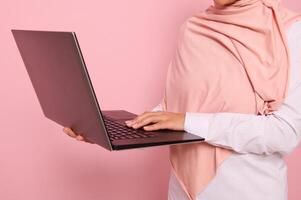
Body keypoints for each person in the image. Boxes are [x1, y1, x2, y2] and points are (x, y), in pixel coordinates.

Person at [63, 0, 301, 199]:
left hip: (247, 191)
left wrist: (187, 121)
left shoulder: (291, 32)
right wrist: (106, 129)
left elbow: (285, 133)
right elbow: (172, 110)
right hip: (182, 190)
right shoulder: (193, 28)